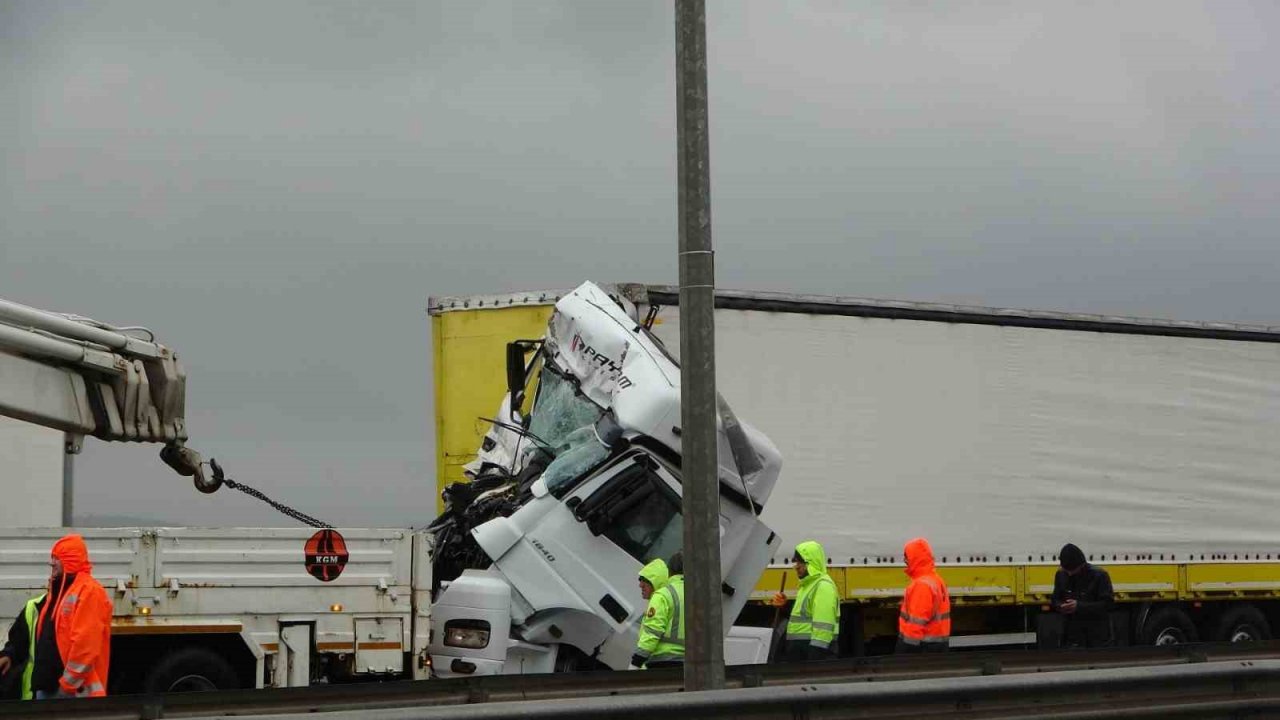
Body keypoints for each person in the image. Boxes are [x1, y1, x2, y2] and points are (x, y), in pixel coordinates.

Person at [31, 534, 112, 699]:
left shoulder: (89, 591)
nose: (51, 563)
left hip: (71, 692)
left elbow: (85, 645)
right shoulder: (59, 588)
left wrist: (67, 686)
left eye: (57, 558)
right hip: (50, 687)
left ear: (70, 560)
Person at [777, 540, 840, 661]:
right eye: (795, 561)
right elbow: (804, 617)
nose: (796, 565)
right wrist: (785, 607)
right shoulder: (807, 585)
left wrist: (815, 659)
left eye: (800, 561)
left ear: (811, 563)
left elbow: (823, 626)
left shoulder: (823, 586)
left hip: (812, 653)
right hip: (802, 653)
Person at [1051, 543, 1114, 648]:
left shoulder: (1099, 576)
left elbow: (1108, 604)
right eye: (1067, 570)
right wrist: (1061, 606)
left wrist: (1079, 606)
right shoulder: (1061, 575)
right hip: (1072, 634)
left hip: (1096, 635)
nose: (1070, 574)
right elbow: (1055, 599)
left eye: (1072, 570)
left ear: (1081, 565)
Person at [896, 537, 950, 653]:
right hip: (937, 644)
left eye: (907, 557)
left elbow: (916, 623)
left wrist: (904, 651)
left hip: (923, 647)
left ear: (914, 559)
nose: (905, 561)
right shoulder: (936, 579)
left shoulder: (921, 585)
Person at [631, 553, 684, 669]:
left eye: (644, 580)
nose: (640, 585)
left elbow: (652, 633)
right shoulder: (698, 594)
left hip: (661, 663)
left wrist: (635, 663)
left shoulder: (662, 596)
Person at [0, 592, 47, 700]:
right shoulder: (34, 606)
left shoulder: (81, 608)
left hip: (70, 699)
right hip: (33, 698)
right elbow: (17, 643)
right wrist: (8, 655)